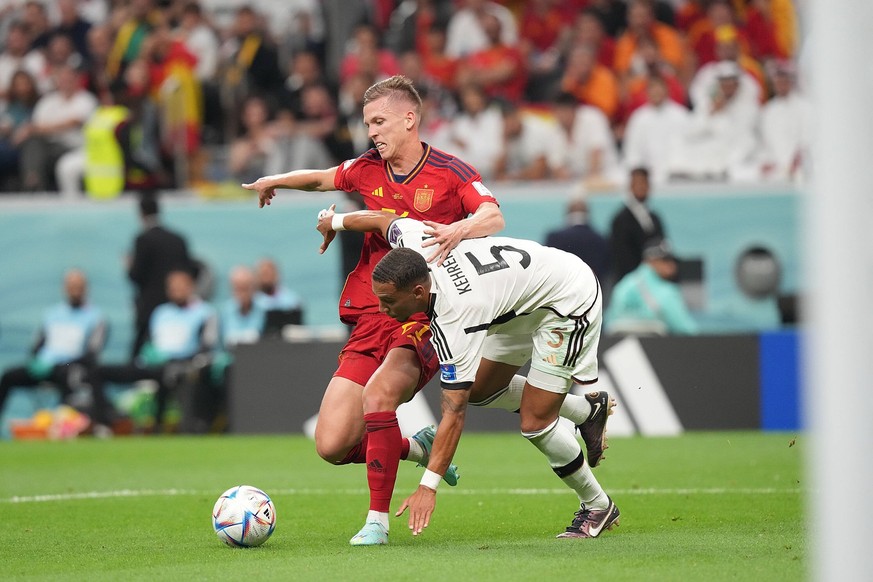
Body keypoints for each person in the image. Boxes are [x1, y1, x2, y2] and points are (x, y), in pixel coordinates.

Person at [241, 74, 505, 546]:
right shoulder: (366, 167)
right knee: (331, 444)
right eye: (367, 123)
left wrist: (458, 231)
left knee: (380, 397)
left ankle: (376, 522)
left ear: (410, 119)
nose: (373, 132)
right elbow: (322, 179)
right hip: (370, 316)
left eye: (380, 121)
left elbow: (493, 215)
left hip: (425, 316)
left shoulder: (450, 172)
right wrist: (276, 180)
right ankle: (413, 446)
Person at [315, 209, 620, 540]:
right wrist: (335, 222)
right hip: (516, 302)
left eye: (388, 302)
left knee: (535, 422)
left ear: (418, 293)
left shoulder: (456, 316)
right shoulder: (415, 242)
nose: (383, 310)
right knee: (479, 390)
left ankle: (597, 505)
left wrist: (427, 486)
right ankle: (587, 411)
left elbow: (454, 413)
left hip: (565, 302)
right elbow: (381, 219)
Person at [94, 270, 218, 433]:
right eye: (172, 288)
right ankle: (111, 419)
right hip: (152, 365)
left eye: (180, 287)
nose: (176, 291)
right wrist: (148, 353)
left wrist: (183, 361)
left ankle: (174, 427)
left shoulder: (204, 313)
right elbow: (148, 342)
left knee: (174, 376)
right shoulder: (160, 313)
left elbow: (206, 348)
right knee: (98, 372)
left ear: (191, 287)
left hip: (181, 365)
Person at [0, 269, 114, 433]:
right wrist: (37, 361)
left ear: (86, 288)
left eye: (78, 286)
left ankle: (69, 427)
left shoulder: (96, 317)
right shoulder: (52, 314)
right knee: (8, 376)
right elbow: (38, 344)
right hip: (46, 366)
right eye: (71, 285)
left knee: (69, 375)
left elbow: (92, 353)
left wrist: (64, 363)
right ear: (64, 288)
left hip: (69, 367)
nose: (75, 289)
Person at [127, 192, 196, 359]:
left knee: (139, 357)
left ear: (141, 213)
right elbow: (191, 269)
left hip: (149, 309)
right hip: (179, 312)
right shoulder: (178, 239)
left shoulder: (143, 240)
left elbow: (136, 276)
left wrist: (129, 266)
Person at [606, 237, 699, 335]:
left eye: (672, 261)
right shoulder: (666, 291)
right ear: (650, 260)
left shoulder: (625, 283)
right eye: (665, 260)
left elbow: (609, 320)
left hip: (617, 347)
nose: (672, 266)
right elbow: (685, 329)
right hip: (656, 348)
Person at [608, 167, 666, 285]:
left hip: (655, 282)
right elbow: (620, 256)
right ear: (630, 186)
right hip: (632, 283)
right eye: (637, 183)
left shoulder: (654, 218)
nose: (641, 187)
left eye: (644, 183)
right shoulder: (621, 220)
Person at [545, 196, 610, 283]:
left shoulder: (554, 238)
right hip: (593, 290)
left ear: (567, 212)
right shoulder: (601, 239)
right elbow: (606, 270)